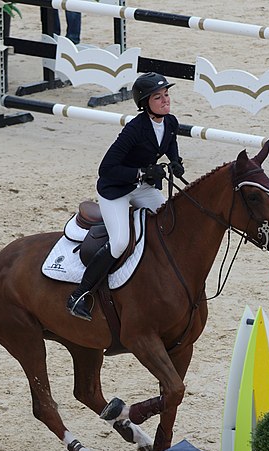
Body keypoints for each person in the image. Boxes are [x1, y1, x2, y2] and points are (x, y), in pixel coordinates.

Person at [67, 72, 186, 321]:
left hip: (141, 188)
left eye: (166, 95)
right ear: (145, 103)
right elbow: (106, 168)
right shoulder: (134, 130)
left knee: (172, 221)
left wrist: (175, 162)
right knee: (120, 242)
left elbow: (170, 142)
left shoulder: (170, 122)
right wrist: (142, 172)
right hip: (116, 190)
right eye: (158, 97)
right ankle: (79, 294)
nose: (166, 100)